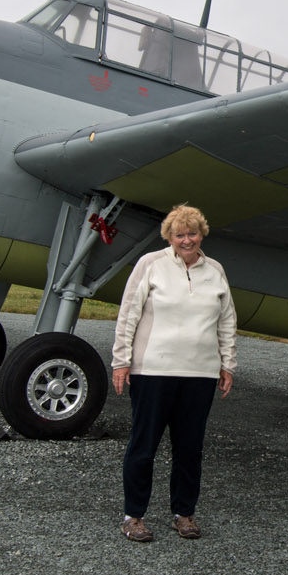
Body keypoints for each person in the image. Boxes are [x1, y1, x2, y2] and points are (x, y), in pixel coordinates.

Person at [110, 204, 236, 541]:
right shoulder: (150, 264)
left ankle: (184, 513)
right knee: (143, 446)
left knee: (189, 449)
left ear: (201, 234)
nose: (187, 240)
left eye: (192, 233)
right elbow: (129, 313)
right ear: (169, 237)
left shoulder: (215, 271)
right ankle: (133, 516)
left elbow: (226, 320)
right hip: (153, 370)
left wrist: (227, 364)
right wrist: (121, 360)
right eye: (179, 235)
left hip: (200, 374)